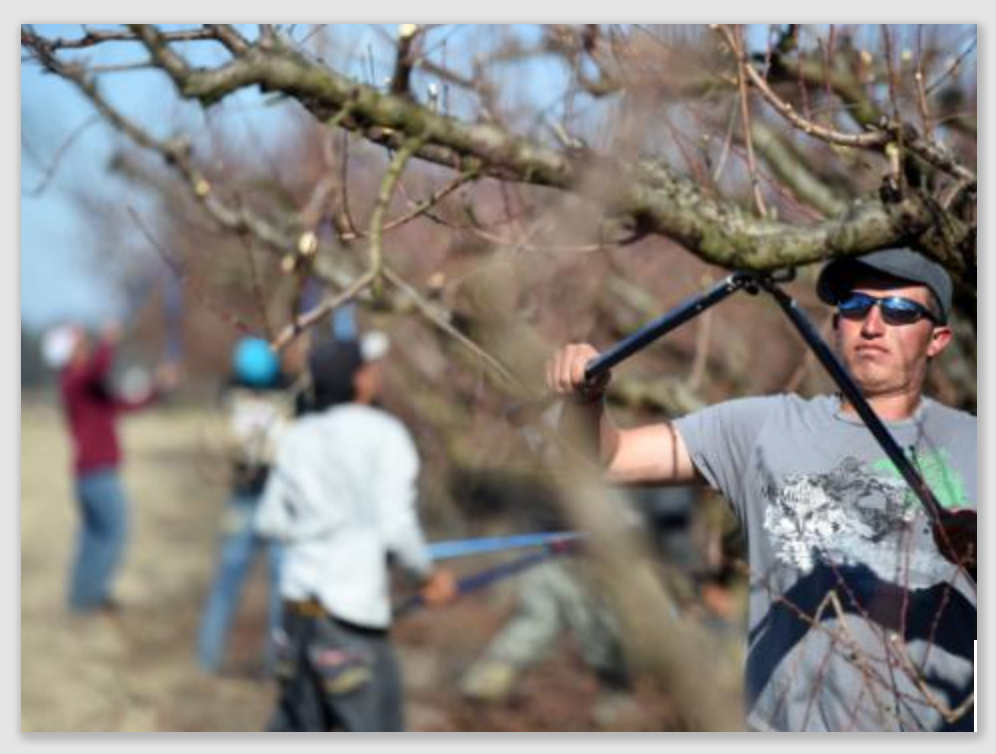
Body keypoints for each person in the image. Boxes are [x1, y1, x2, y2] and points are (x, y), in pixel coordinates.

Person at [545, 248, 975, 732]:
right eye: (856, 307)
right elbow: (607, 460)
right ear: (837, 324)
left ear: (937, 339)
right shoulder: (761, 427)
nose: (872, 325)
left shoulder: (976, 443)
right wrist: (585, 400)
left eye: (898, 311)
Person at [255, 331, 457, 732]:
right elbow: (397, 528)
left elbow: (270, 520)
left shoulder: (297, 435)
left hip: (297, 614)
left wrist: (319, 530)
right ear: (358, 380)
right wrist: (428, 577)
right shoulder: (386, 434)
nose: (376, 374)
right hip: (350, 621)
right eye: (370, 368)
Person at [42, 321, 178, 613]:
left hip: (91, 476)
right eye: (80, 345)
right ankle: (94, 597)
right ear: (68, 355)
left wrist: (158, 388)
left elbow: (128, 405)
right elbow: (98, 368)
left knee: (92, 538)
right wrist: (108, 340)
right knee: (115, 533)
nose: (86, 348)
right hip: (97, 475)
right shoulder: (75, 382)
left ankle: (80, 600)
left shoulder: (90, 389)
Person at [196, 337, 299, 674]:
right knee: (281, 586)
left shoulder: (231, 393)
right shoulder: (287, 393)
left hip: (243, 497)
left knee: (227, 582)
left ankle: (207, 658)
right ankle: (277, 663)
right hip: (278, 499)